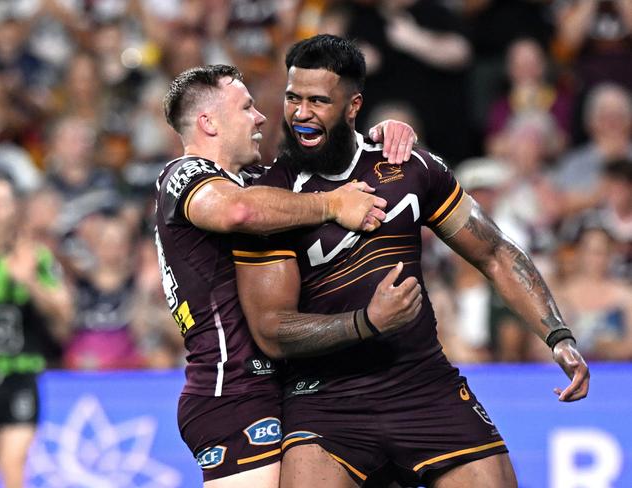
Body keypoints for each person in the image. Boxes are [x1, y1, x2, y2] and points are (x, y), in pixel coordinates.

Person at [233, 34, 590, 488]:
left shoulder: (411, 167)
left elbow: (496, 252)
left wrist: (557, 335)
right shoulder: (271, 199)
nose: (301, 113)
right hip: (325, 399)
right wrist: (367, 321)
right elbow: (271, 330)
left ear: (353, 105)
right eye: (292, 98)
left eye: (318, 100)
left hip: (423, 385)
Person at [154, 64, 419, 487]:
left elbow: (327, 175)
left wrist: (371, 138)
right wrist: (331, 205)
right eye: (246, 107)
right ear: (208, 122)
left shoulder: (256, 182)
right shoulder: (183, 177)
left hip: (286, 387)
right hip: (232, 390)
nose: (261, 117)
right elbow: (239, 211)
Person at [0, 173, 73, 488]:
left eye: (0, 204)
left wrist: (30, 282)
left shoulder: (35, 256)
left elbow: (64, 311)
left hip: (19, 377)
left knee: (13, 464)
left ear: (14, 208)